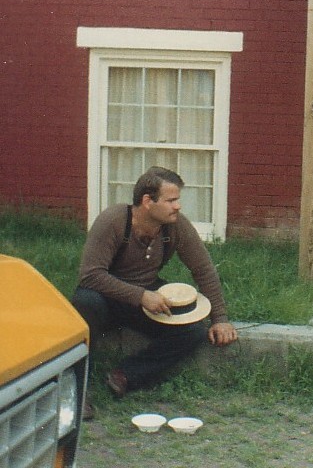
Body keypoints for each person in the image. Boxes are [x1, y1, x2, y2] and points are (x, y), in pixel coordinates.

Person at [72, 166, 237, 417]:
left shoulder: (175, 226)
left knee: (194, 330)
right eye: (171, 200)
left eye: (177, 200)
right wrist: (141, 296)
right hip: (105, 297)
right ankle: (77, 392)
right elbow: (90, 275)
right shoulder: (113, 221)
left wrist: (220, 318)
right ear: (148, 201)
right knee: (85, 303)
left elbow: (203, 269)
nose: (178, 206)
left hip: (146, 296)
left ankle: (125, 375)